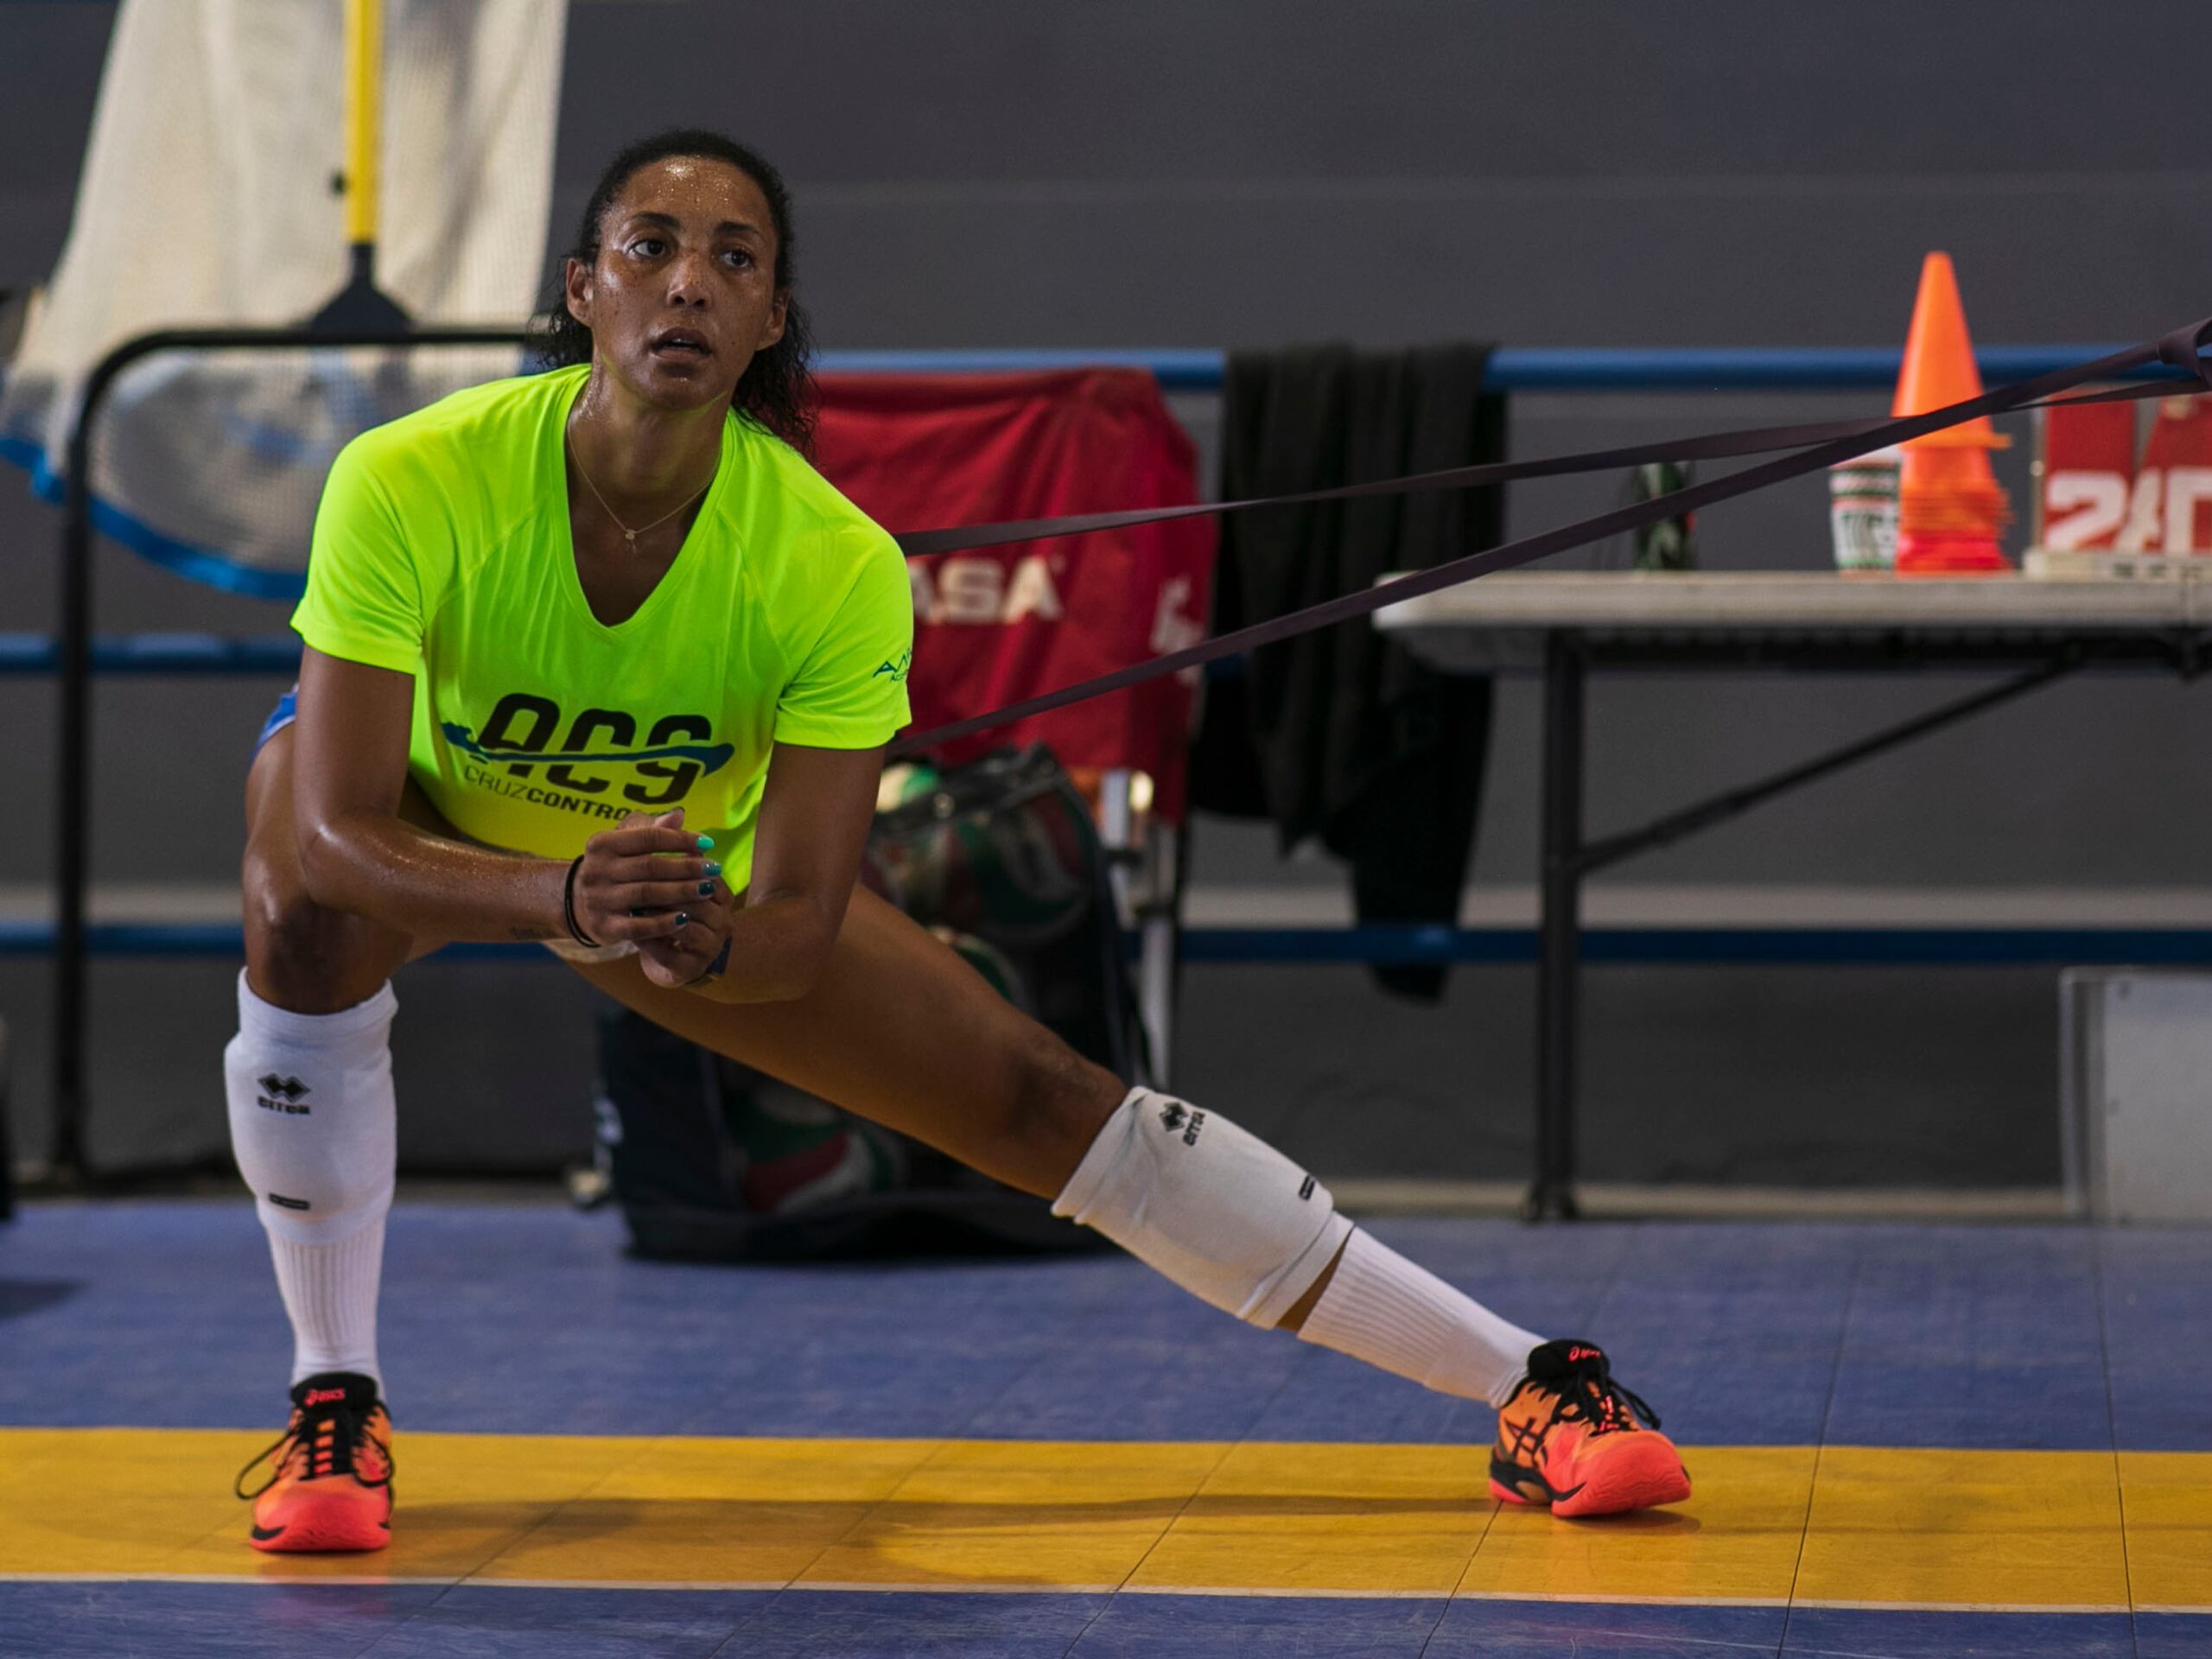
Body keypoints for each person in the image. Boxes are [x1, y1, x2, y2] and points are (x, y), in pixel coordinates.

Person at [225, 128, 1689, 1553]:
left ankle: (1532, 1381)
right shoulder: (408, 477)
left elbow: (795, 922)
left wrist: (697, 932)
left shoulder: (833, 561)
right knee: (299, 911)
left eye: (734, 260)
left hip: (664, 880)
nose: (688, 282)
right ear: (582, 290)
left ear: (768, 319)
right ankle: (331, 1395)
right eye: (650, 247)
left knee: (1041, 1094)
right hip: (442, 836)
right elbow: (344, 832)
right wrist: (558, 893)